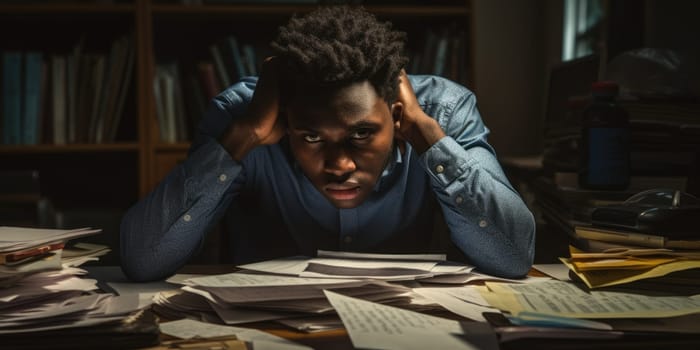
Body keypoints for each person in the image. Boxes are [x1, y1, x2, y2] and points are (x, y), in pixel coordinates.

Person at [120, 6, 535, 282]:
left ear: (395, 115)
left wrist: (426, 135)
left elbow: (514, 255)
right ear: (286, 119)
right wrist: (243, 137)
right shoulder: (243, 118)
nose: (339, 165)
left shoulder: (442, 113)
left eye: (361, 135)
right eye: (312, 136)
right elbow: (143, 260)